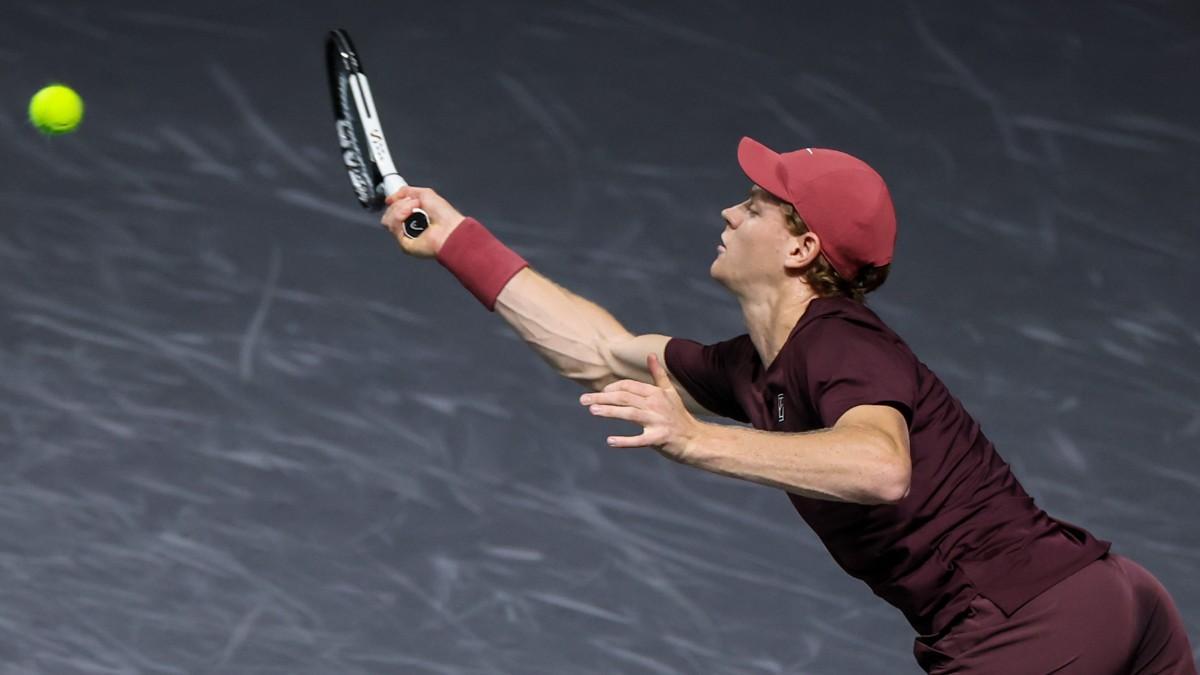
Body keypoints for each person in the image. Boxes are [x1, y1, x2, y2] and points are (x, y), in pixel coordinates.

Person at [379, 136, 1196, 673]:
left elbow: (879, 466)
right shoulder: (757, 366)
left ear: (802, 248)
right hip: (1112, 596)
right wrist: (457, 240)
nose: (730, 212)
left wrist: (697, 441)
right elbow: (599, 348)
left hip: (1035, 621)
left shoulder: (842, 343)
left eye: (756, 205)